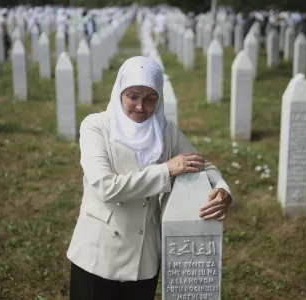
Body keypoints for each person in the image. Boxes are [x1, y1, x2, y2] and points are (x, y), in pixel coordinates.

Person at [67, 56, 232, 300]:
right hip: (98, 253)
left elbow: (203, 165)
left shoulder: (164, 130)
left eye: (150, 98)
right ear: (119, 92)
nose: (141, 107)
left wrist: (222, 189)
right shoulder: (96, 127)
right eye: (133, 96)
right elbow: (106, 187)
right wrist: (165, 170)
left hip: (143, 255)